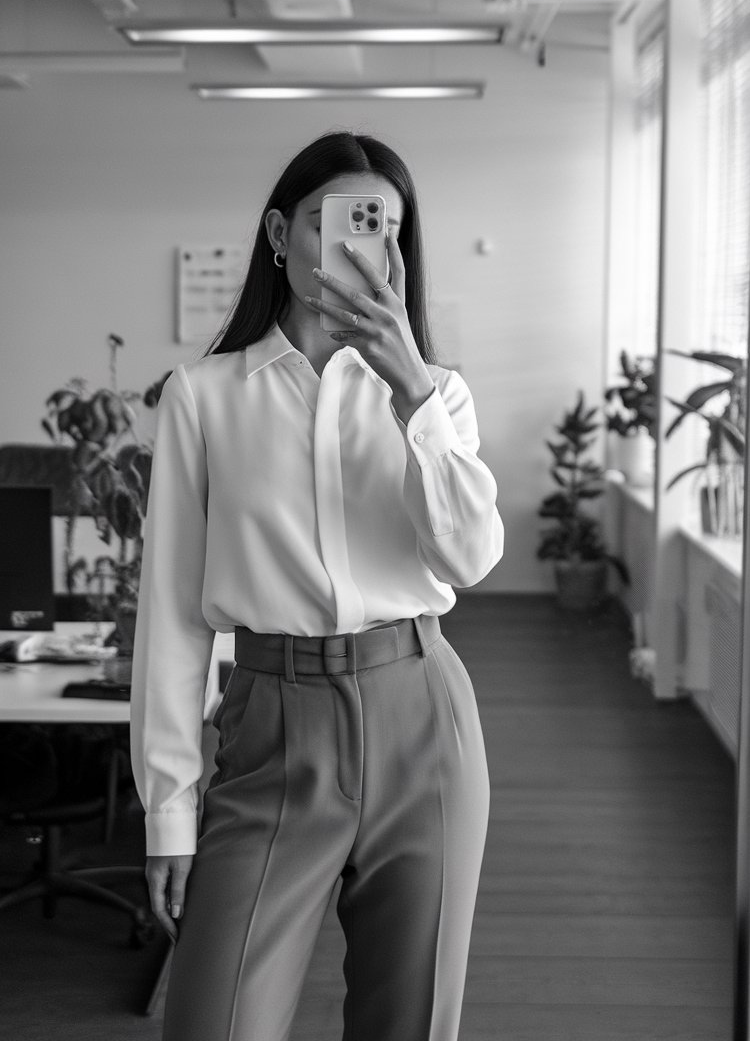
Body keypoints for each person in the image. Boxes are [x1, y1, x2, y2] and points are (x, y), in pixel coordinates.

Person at [129, 130, 504, 1041]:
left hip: (423, 713)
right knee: (215, 1023)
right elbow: (174, 618)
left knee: (407, 1023)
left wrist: (412, 391)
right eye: (333, 220)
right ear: (278, 233)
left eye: (386, 228)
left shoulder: (437, 395)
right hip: (270, 724)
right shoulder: (204, 396)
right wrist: (168, 810)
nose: (359, 243)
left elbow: (472, 556)